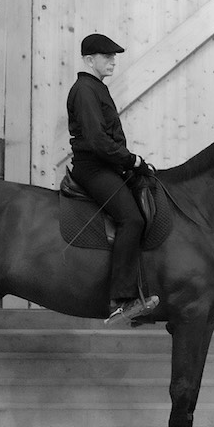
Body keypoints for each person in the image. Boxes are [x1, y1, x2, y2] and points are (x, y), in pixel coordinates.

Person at [66, 33, 160, 326]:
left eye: (114, 57)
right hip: (93, 168)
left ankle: (142, 290)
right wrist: (131, 160)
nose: (112, 61)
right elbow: (96, 140)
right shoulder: (85, 90)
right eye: (106, 57)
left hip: (107, 165)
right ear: (89, 60)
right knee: (131, 219)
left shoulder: (96, 88)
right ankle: (122, 299)